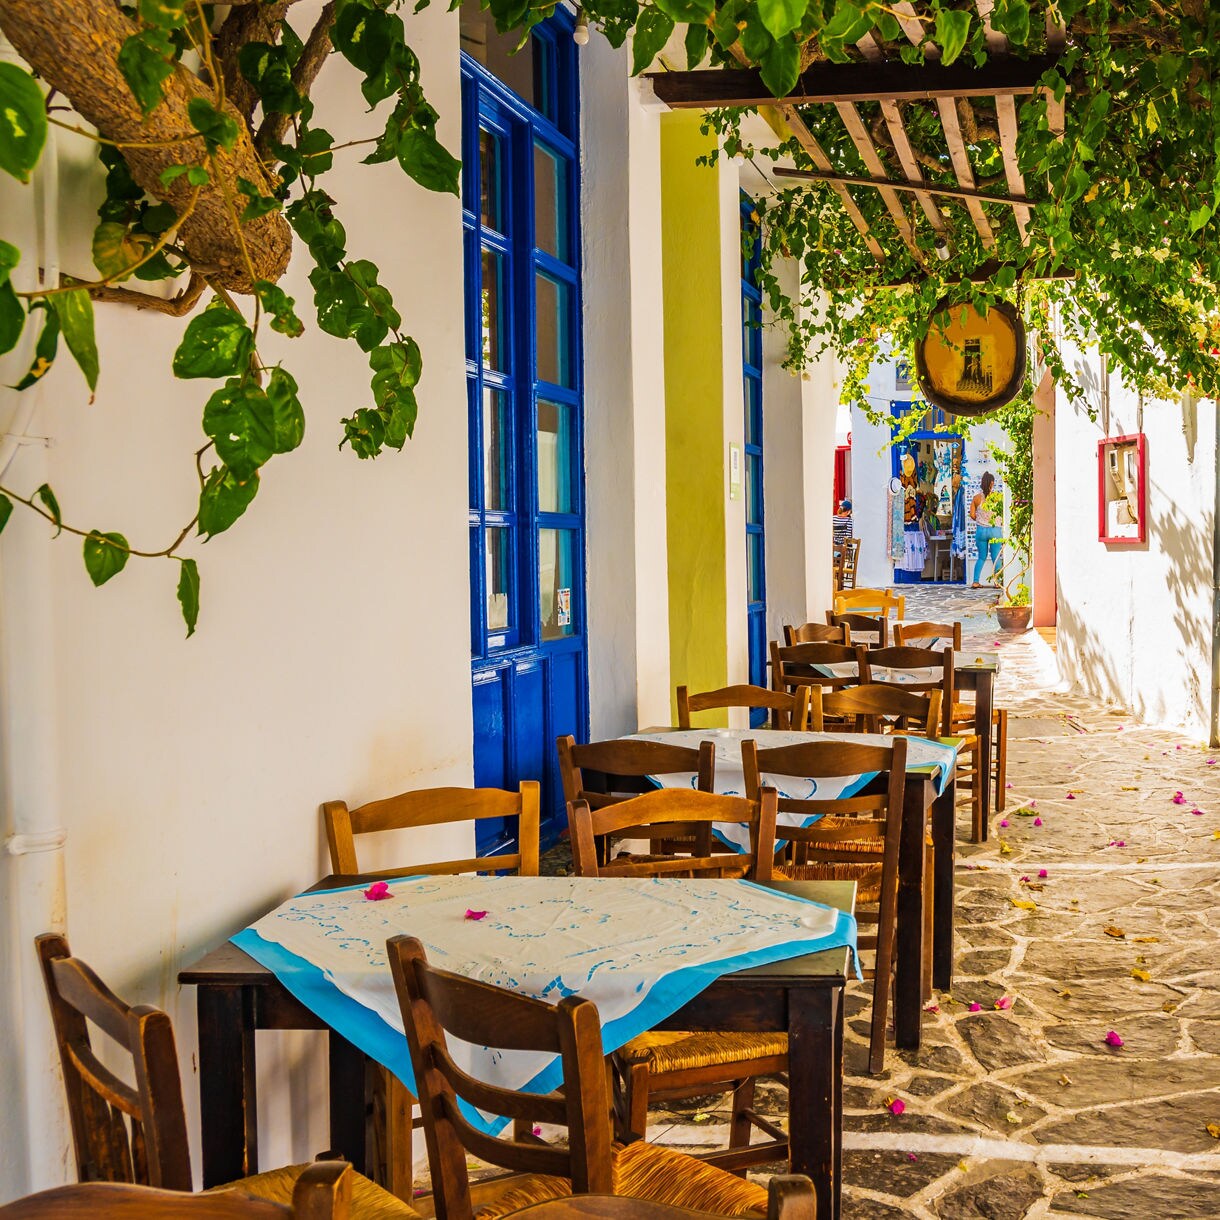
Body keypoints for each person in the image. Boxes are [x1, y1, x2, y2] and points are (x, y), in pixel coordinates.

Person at [970, 471, 1003, 587]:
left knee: (981, 557)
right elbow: (1004, 513)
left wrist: (981, 519)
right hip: (995, 530)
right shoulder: (998, 498)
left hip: (981, 531)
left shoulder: (976, 498)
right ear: (992, 483)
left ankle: (975, 581)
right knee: (996, 557)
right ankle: (997, 582)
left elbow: (972, 515)